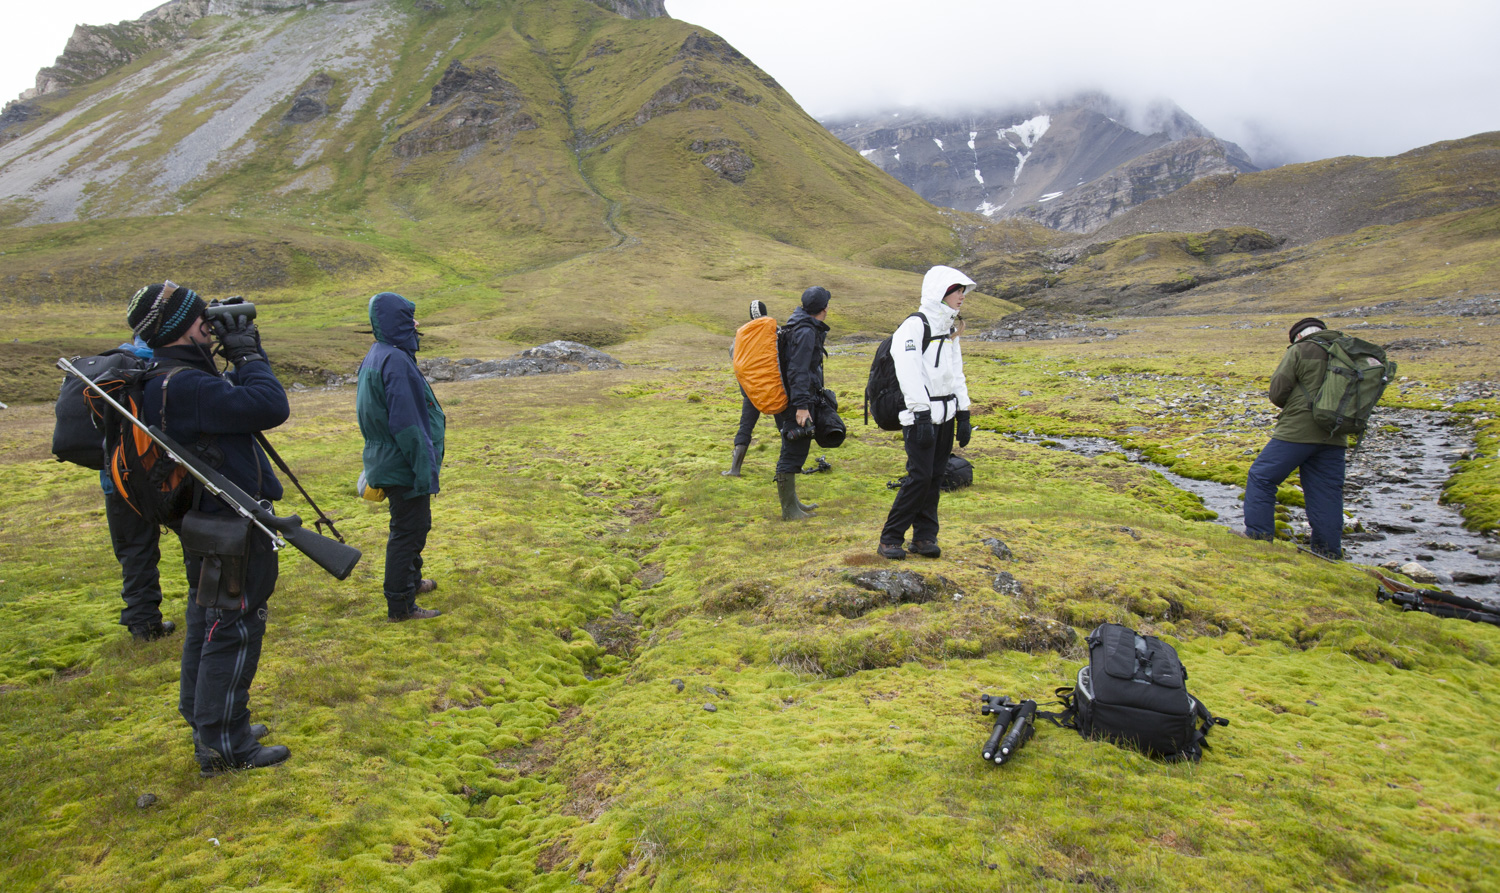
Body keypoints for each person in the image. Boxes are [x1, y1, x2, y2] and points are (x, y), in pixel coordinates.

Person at [126, 280, 291, 775]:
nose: (210, 325)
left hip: (208, 522)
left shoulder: (165, 376)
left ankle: (211, 722)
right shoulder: (188, 385)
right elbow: (269, 405)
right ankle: (225, 744)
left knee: (207, 621)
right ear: (180, 329)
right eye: (203, 320)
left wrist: (236, 357)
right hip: (226, 526)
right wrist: (249, 355)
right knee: (233, 626)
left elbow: (237, 409)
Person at [357, 292, 446, 622]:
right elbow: (408, 426)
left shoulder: (381, 354)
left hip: (392, 459)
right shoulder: (394, 361)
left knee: (415, 525)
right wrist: (424, 472)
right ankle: (401, 605)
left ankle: (410, 582)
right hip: (403, 464)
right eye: (410, 319)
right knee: (407, 532)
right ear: (397, 322)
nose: (417, 324)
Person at [878, 266, 974, 559]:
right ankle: (890, 538)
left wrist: (963, 412)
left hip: (945, 414)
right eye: (957, 291)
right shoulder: (915, 326)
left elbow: (956, 372)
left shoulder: (947, 327)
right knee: (919, 477)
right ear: (942, 292)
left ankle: (924, 537)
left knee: (935, 476)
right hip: (921, 415)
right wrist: (920, 414)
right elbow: (908, 372)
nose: (962, 297)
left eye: (962, 292)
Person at [1243, 317, 1348, 558]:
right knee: (1327, 493)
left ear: (1298, 337)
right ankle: (1328, 553)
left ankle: (1259, 539)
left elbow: (1278, 390)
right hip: (1335, 434)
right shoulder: (1347, 351)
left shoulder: (1301, 350)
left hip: (1297, 431)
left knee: (1262, 477)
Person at [101, 334, 174, 642]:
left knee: (135, 552)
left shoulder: (110, 369)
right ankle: (213, 607)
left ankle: (144, 625)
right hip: (162, 476)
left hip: (117, 478)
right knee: (199, 541)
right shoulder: (163, 365)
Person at [774, 287, 832, 521]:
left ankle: (793, 502)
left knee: (794, 447)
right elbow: (798, 370)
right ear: (824, 309)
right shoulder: (806, 331)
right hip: (795, 401)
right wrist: (801, 406)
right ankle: (789, 511)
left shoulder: (796, 325)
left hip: (790, 397)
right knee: (793, 449)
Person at [723, 300, 770, 477]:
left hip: (751, 390)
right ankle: (795, 466)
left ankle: (735, 468)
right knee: (784, 426)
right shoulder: (775, 330)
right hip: (773, 387)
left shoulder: (743, 334)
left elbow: (733, 354)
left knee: (746, 425)